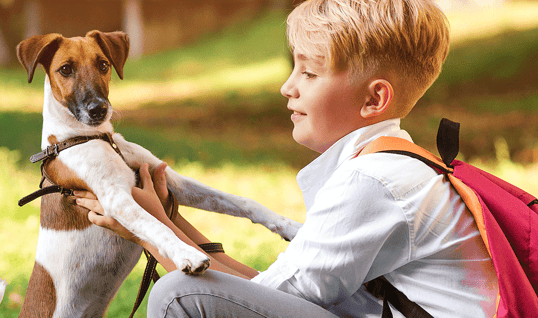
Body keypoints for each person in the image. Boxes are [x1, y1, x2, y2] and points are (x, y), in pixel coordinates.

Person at [74, 0, 499, 316]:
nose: (287, 87)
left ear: (375, 98)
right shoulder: (393, 165)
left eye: (309, 73)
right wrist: (170, 218)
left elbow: (259, 303)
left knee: (177, 295)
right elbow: (261, 292)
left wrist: (147, 230)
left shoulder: (374, 182)